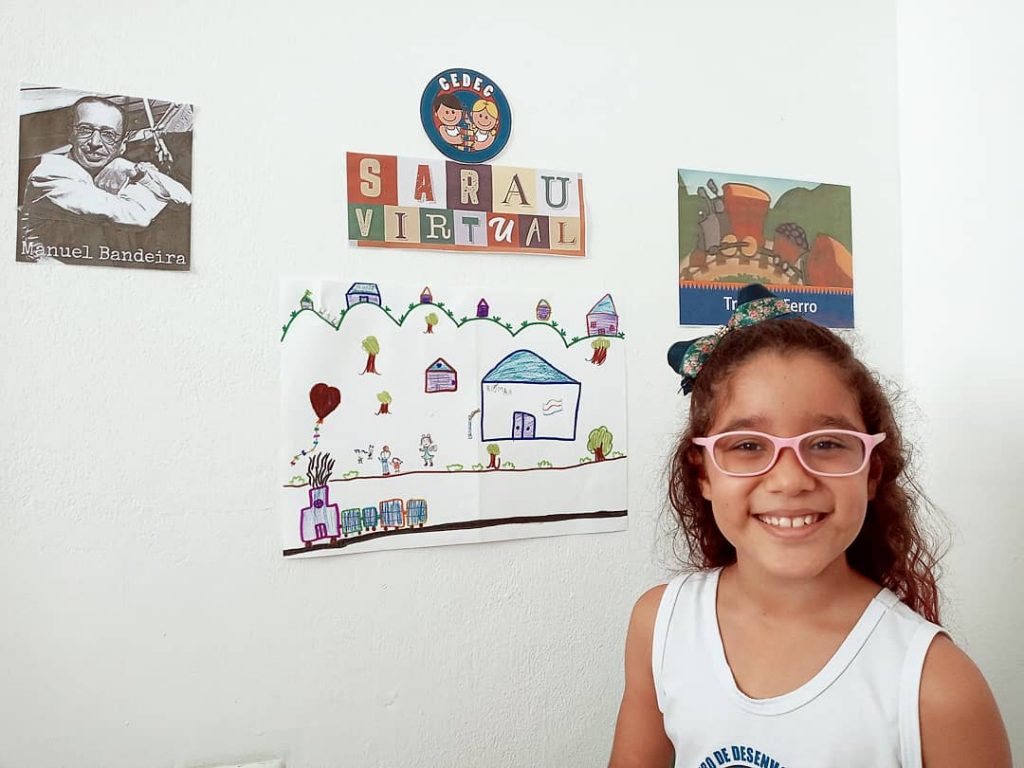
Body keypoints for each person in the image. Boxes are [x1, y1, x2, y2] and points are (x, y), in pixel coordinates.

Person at [608, 285, 1011, 767]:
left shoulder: (937, 686)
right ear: (703, 475)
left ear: (871, 473)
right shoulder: (661, 624)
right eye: (748, 445)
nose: (791, 480)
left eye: (826, 444)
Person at [19, 95, 191, 260]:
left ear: (122, 145)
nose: (95, 143)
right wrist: (143, 183)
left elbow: (183, 198)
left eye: (108, 134)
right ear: (70, 134)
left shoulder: (111, 169)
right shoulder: (49, 174)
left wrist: (139, 174)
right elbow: (136, 217)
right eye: (85, 130)